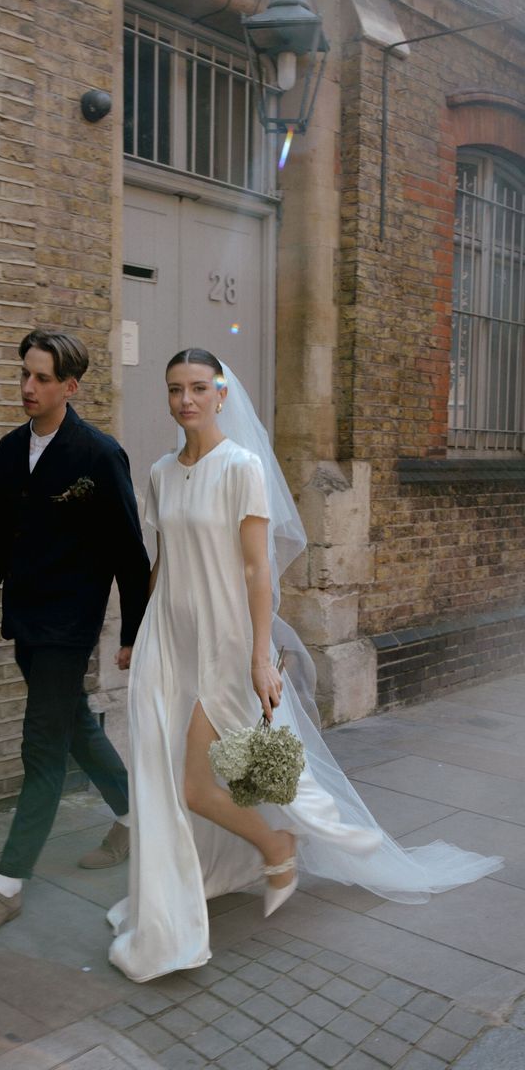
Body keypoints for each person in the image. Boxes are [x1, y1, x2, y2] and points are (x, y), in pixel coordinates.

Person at [108, 348, 503, 983]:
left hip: (222, 640)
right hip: (167, 638)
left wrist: (262, 654)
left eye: (198, 388)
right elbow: (163, 559)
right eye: (175, 389)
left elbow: (260, 570)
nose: (185, 400)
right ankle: (196, 882)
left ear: (221, 395)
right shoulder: (159, 472)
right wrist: (137, 630)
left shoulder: (240, 468)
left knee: (195, 785)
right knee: (157, 772)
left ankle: (276, 846)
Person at [0, 329, 151, 942]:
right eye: (24, 375)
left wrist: (133, 631)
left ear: (70, 386)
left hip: (69, 626)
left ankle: (6, 887)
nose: (27, 388)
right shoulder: (10, 450)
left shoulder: (98, 454)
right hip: (25, 623)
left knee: (42, 744)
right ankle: (135, 819)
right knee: (74, 723)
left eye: (41, 378)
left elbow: (130, 556)